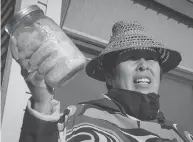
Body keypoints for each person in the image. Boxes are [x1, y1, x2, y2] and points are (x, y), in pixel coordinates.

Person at [11, 21, 193, 142]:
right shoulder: (75, 119)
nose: (144, 65)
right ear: (110, 76)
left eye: (151, 58)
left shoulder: (180, 134)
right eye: (132, 57)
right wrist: (42, 102)